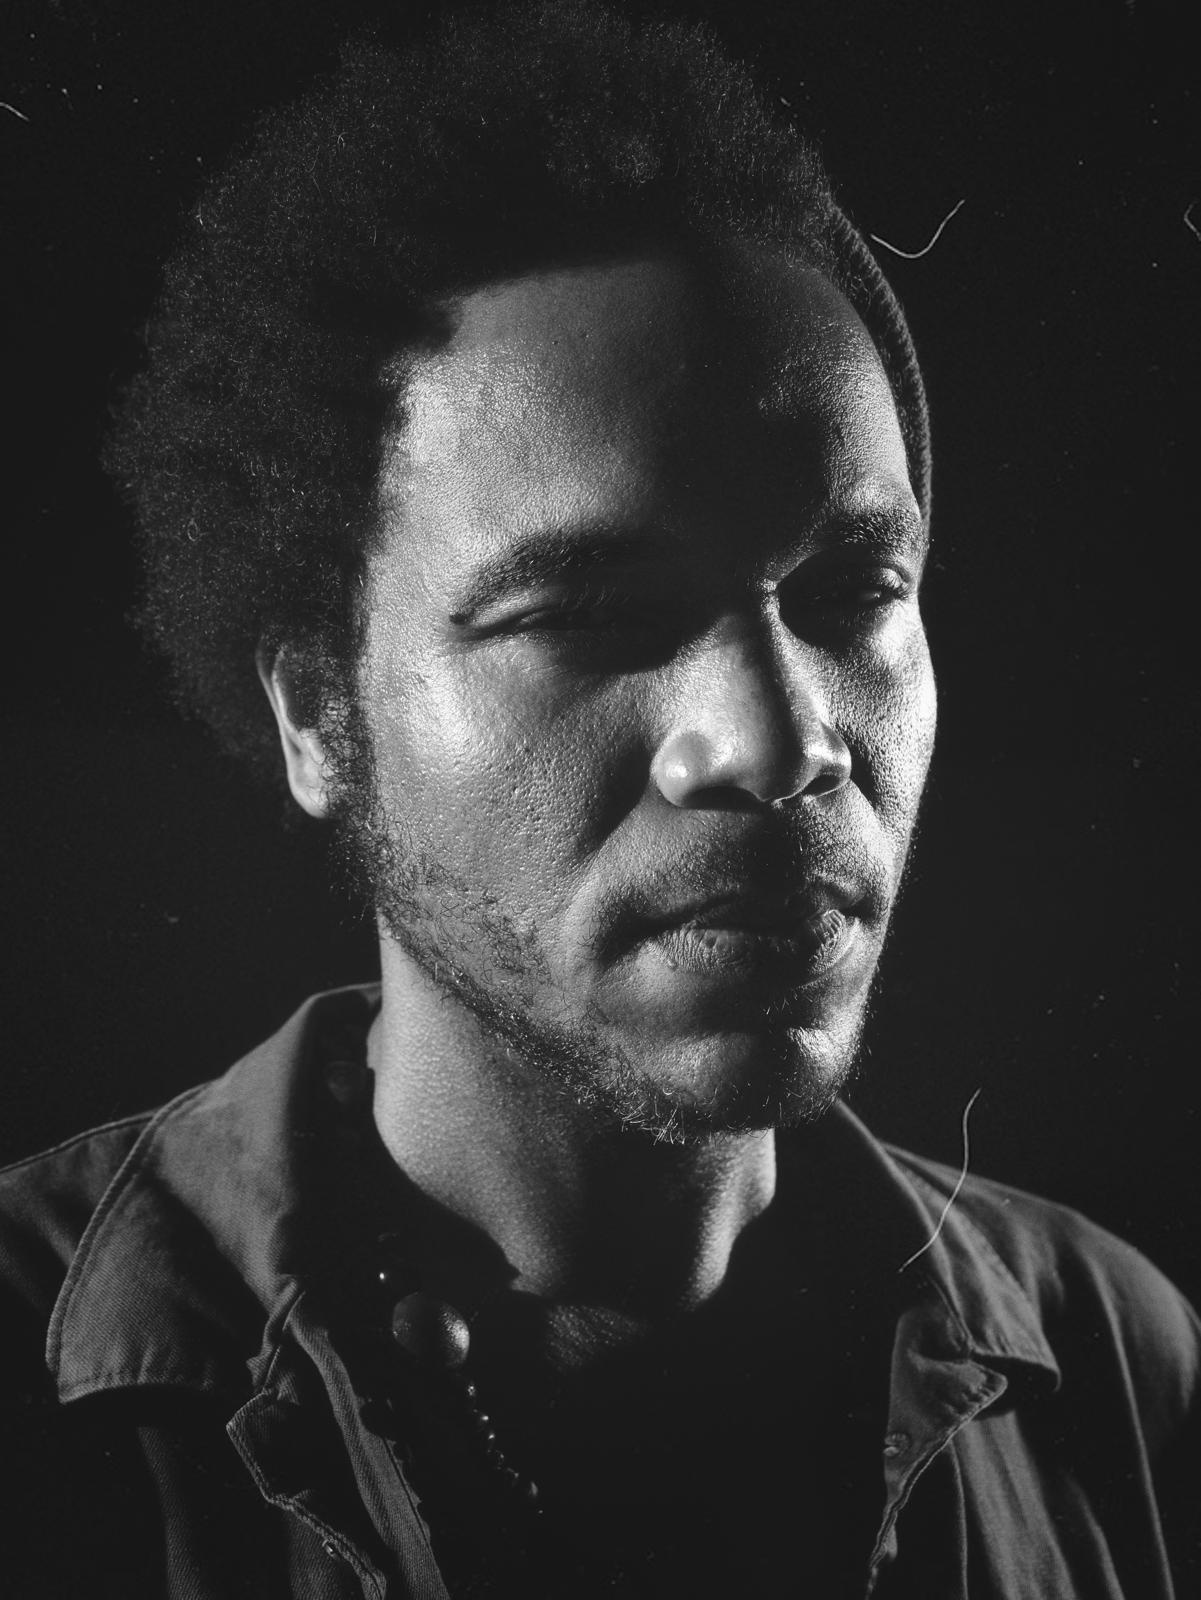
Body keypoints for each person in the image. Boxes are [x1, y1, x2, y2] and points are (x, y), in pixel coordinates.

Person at [1, 3, 1196, 1596]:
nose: (773, 742)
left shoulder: (1113, 1357)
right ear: (319, 713)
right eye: (592, 616)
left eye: (851, 589)